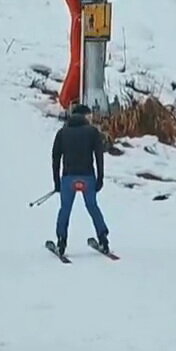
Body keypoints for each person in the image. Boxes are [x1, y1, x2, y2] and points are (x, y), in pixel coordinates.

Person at [51, 103, 110, 256]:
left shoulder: (62, 133)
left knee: (65, 209)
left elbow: (56, 158)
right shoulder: (92, 132)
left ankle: (61, 241)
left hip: (68, 177)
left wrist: (57, 182)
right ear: (84, 116)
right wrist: (100, 177)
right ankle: (103, 238)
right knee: (92, 206)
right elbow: (99, 155)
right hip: (88, 176)